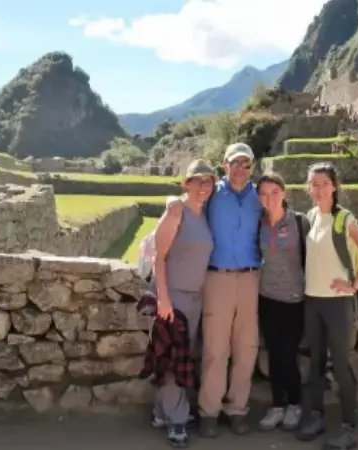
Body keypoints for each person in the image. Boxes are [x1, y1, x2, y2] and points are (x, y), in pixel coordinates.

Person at [166, 143, 262, 438]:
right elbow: (185, 203)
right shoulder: (211, 194)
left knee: (246, 349)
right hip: (217, 279)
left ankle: (237, 410)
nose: (240, 169)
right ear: (224, 164)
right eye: (235, 163)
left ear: (252, 168)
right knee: (215, 349)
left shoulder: (260, 196)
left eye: (246, 164)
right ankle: (209, 411)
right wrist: (171, 200)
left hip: (250, 278)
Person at [296, 162, 358, 449]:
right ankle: (316, 417)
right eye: (313, 184)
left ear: (334, 186)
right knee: (316, 362)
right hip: (313, 301)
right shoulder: (311, 216)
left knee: (341, 364)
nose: (318, 189)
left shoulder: (344, 218)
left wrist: (354, 285)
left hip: (338, 303)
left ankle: (348, 427)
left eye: (323, 183)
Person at [145, 159, 216, 448]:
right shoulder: (176, 214)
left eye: (208, 181)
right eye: (197, 181)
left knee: (176, 358)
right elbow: (158, 258)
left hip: (195, 299)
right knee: (175, 361)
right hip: (174, 298)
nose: (203, 187)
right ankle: (177, 422)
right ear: (185, 183)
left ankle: (162, 413)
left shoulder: (202, 213)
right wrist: (164, 298)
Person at [254, 173, 310, 432]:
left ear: (284, 193)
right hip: (266, 299)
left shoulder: (299, 222)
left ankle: (295, 404)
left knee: (287, 355)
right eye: (264, 193)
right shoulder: (259, 224)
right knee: (274, 355)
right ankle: (278, 406)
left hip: (294, 300)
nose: (270, 198)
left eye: (274, 192)